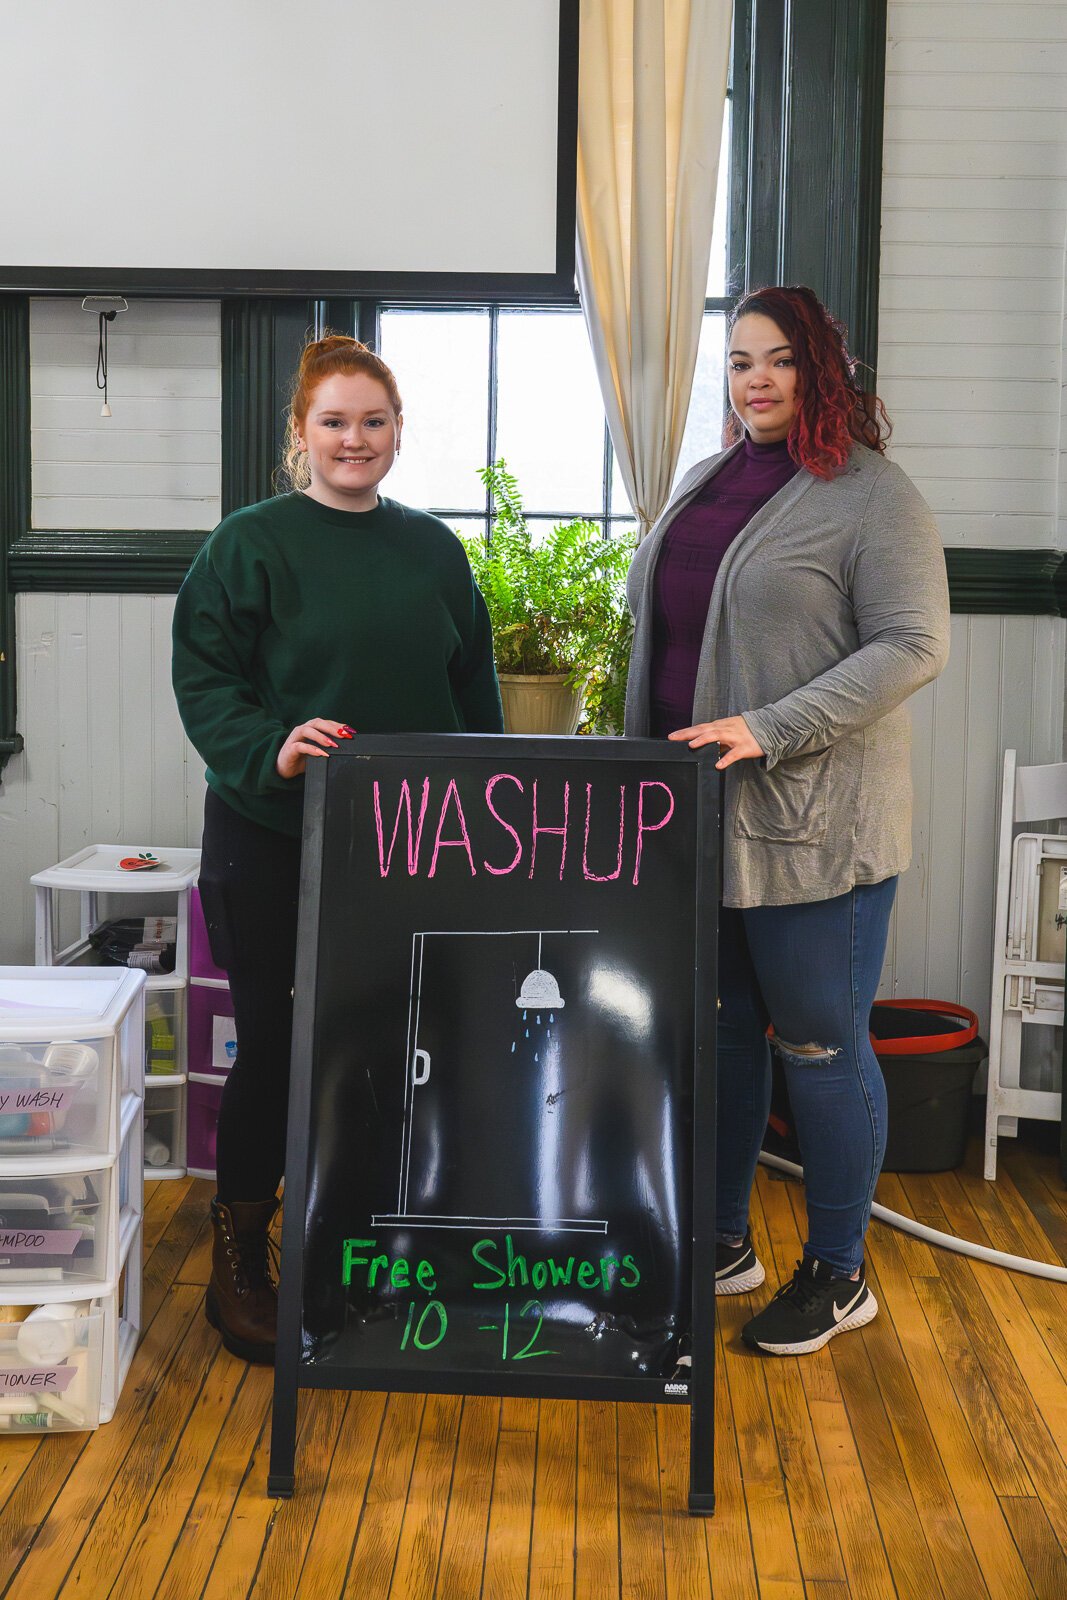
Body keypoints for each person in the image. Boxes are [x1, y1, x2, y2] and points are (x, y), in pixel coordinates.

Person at [624, 285, 949, 1355]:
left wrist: (769, 725)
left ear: (821, 370)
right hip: (697, 822)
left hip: (814, 829)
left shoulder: (871, 496)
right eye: (737, 363)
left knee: (817, 1044)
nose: (754, 381)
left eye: (777, 360)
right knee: (719, 1031)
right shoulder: (705, 481)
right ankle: (722, 1241)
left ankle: (837, 1271)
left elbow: (910, 644)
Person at [172, 335, 503, 1363]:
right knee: (276, 1046)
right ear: (300, 436)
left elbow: (473, 700)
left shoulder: (432, 551)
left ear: (397, 432)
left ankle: (366, 1247)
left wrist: (489, 824)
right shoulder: (248, 544)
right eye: (333, 422)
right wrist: (270, 746)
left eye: (372, 421)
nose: (353, 439)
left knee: (387, 1044)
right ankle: (242, 1258)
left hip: (405, 848)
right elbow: (205, 682)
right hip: (273, 839)